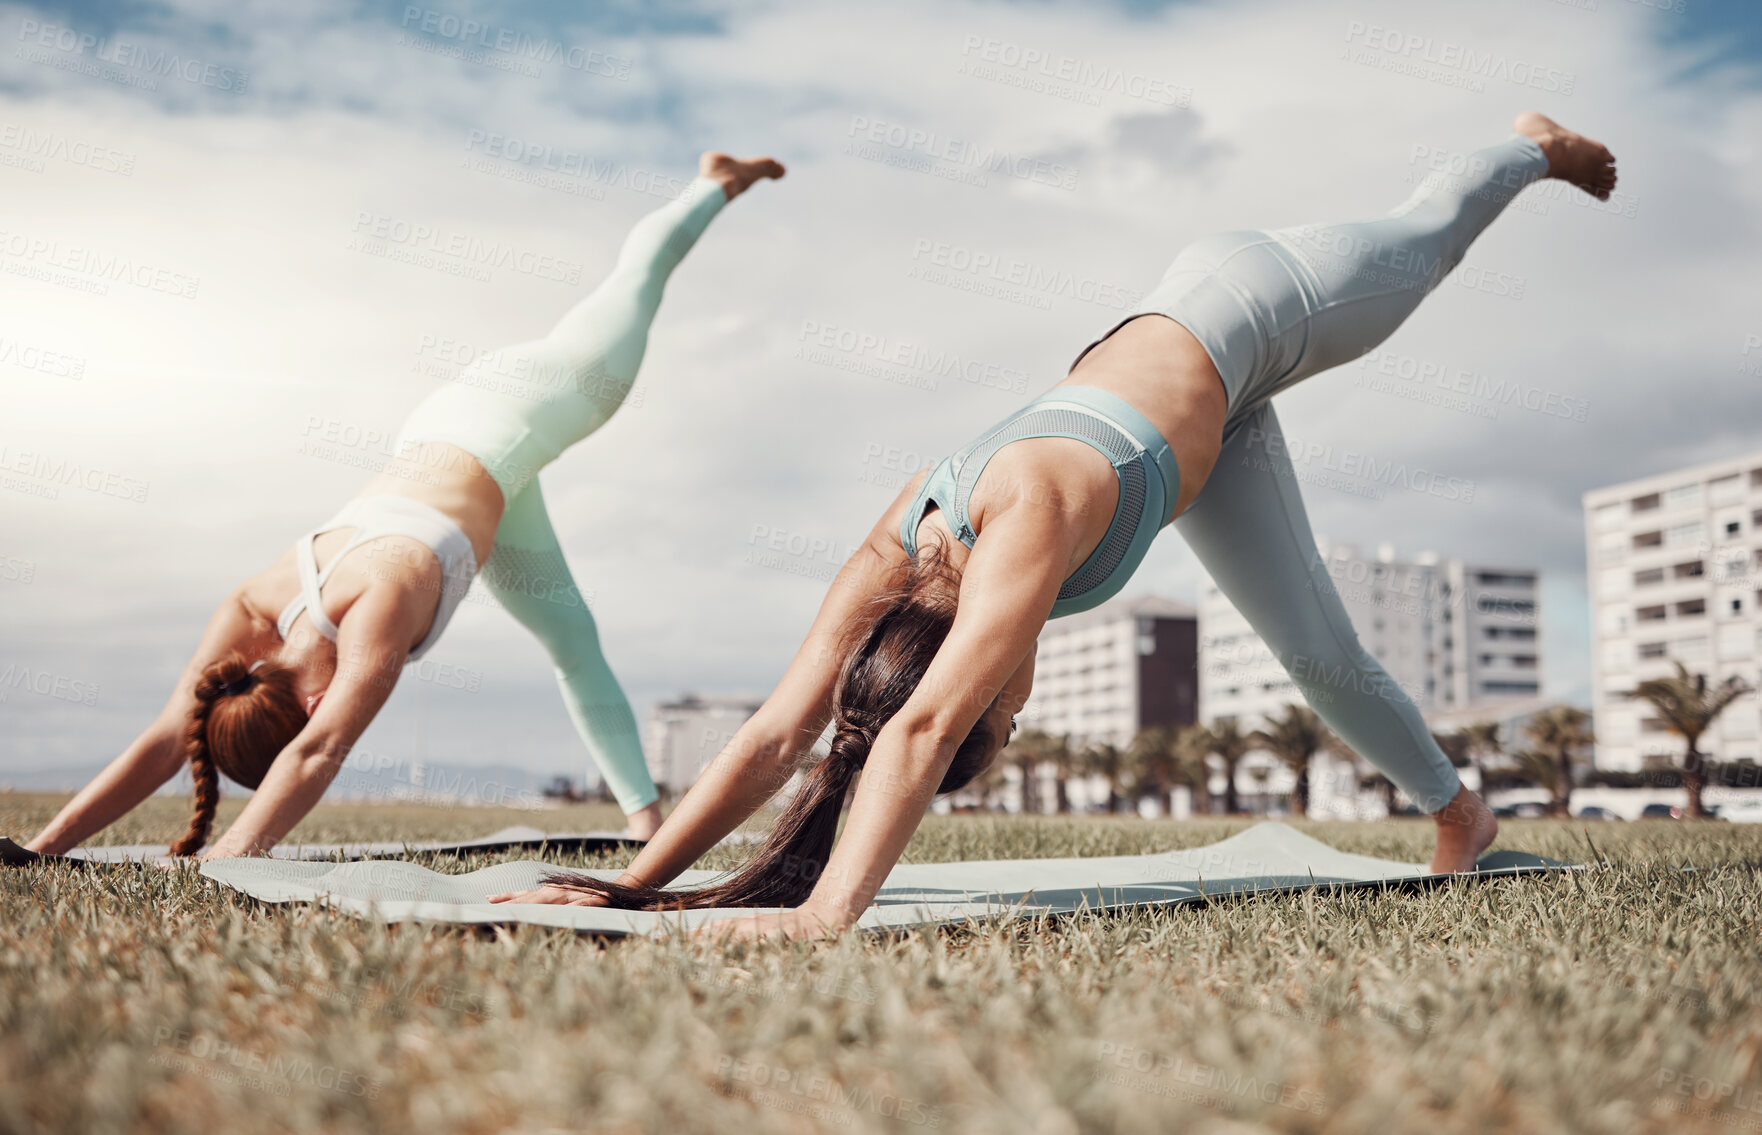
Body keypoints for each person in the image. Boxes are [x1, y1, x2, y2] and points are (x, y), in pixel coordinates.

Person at [493, 113, 1616, 940]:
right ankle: (1459, 812)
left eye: (1007, 719)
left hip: (1262, 298)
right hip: (1219, 418)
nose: (1016, 713)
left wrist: (826, 913)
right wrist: (633, 886)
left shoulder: (1019, 528)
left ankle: (1526, 145)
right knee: (1319, 655)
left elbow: (923, 730)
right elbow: (776, 733)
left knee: (1431, 235)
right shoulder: (897, 551)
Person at [24, 152, 786, 860]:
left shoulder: (378, 603)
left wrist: (230, 858)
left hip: (537, 402)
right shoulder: (254, 616)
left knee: (636, 280)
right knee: (572, 638)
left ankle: (712, 182)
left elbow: (319, 750)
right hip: (459, 446)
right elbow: (169, 735)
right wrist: (39, 850)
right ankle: (646, 819)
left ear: (315, 699)